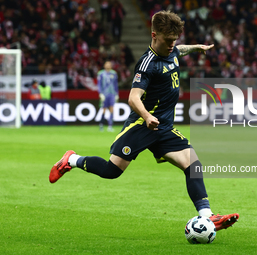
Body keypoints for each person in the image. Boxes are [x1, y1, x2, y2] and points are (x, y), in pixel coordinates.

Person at [49, 10, 239, 231]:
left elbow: (179, 51)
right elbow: (133, 97)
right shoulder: (147, 64)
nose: (172, 45)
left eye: (174, 40)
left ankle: (208, 217)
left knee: (193, 165)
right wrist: (147, 116)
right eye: (168, 40)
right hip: (142, 125)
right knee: (112, 171)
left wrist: (197, 48)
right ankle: (70, 160)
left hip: (164, 127)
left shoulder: (172, 50)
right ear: (154, 35)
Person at [97, 61, 119, 132]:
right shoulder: (101, 73)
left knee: (112, 109)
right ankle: (101, 125)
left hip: (112, 94)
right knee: (103, 109)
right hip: (104, 94)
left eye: (109, 64)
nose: (108, 65)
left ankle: (110, 126)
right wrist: (100, 93)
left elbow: (116, 84)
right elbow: (99, 84)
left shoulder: (114, 73)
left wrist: (117, 94)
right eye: (107, 64)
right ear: (104, 65)